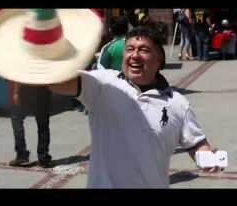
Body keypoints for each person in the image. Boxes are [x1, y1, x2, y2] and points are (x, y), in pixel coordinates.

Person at [49, 26, 222, 188]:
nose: (135, 55)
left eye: (144, 50)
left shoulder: (177, 103)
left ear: (159, 59)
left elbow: (197, 144)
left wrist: (207, 157)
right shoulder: (103, 83)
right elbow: (58, 84)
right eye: (130, 49)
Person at [9, 82, 52, 168]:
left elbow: (19, 75)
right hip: (42, 90)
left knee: (16, 119)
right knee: (43, 126)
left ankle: (22, 155)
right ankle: (43, 157)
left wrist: (16, 92)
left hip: (25, 90)